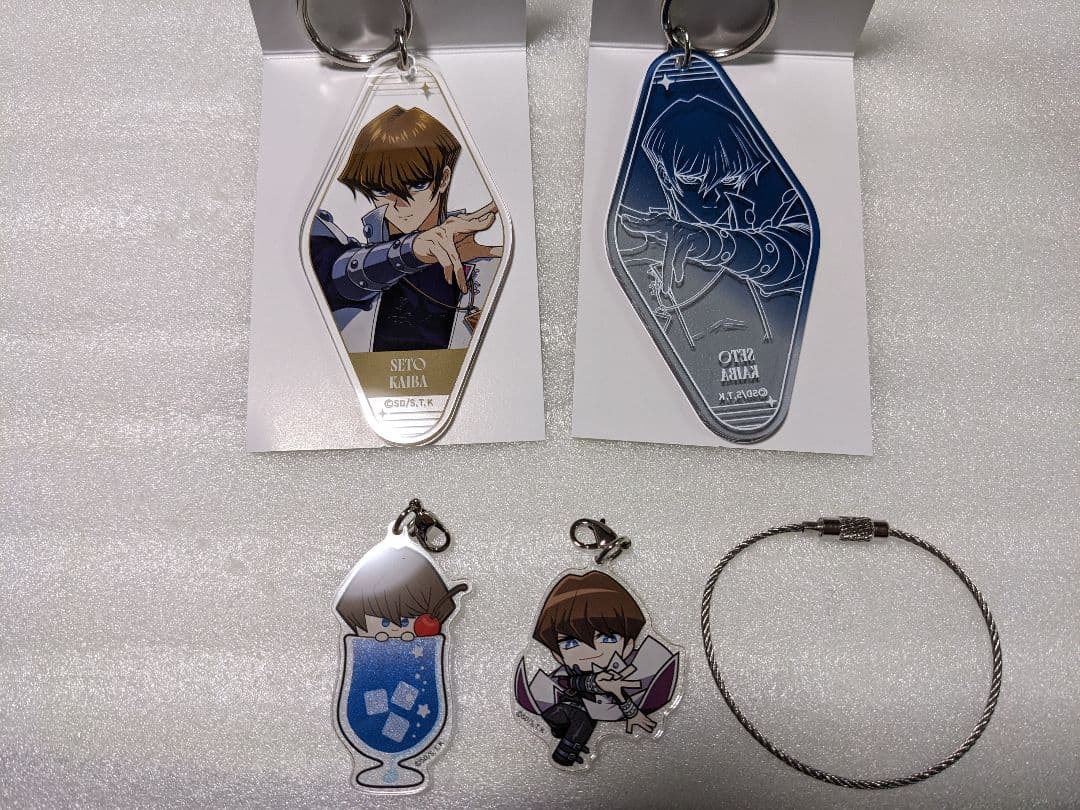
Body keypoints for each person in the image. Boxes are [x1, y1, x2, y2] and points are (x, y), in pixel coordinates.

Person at [309, 105, 501, 352]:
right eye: (381, 190)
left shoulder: (478, 262)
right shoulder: (349, 263)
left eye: (417, 184)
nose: (400, 204)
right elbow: (338, 273)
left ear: (443, 179)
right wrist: (413, 250)